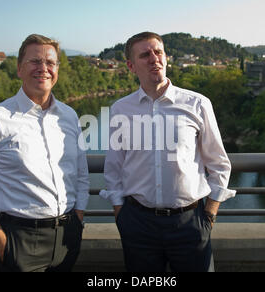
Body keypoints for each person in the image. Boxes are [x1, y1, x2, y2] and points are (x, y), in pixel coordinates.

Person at [100, 32, 236, 272]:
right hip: (138, 224)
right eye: (145, 55)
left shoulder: (197, 104)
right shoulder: (120, 109)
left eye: (158, 52)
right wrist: (121, 214)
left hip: (189, 223)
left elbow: (218, 164)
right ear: (131, 66)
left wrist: (209, 216)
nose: (154, 59)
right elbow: (114, 167)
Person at [0, 34, 89, 272]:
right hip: (19, 239)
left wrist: (77, 221)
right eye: (35, 61)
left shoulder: (70, 116)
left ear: (57, 69)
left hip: (67, 237)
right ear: (19, 69)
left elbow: (81, 175)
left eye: (50, 63)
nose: (44, 69)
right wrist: (3, 245)